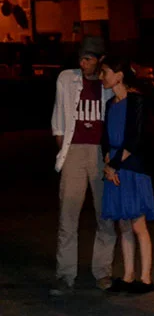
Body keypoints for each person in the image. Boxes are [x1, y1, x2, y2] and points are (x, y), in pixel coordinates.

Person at [49, 36, 116, 295]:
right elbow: (58, 119)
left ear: (100, 60)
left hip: (101, 153)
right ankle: (65, 274)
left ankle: (103, 271)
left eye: (88, 59)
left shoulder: (107, 82)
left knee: (105, 216)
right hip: (74, 150)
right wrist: (65, 148)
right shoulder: (67, 79)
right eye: (81, 58)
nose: (83, 63)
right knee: (68, 214)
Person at [99, 56, 154, 293]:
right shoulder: (110, 103)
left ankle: (145, 278)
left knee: (138, 224)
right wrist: (107, 161)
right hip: (115, 164)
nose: (102, 76)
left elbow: (134, 139)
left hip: (132, 166)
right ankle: (128, 276)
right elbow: (105, 137)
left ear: (119, 75)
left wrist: (113, 165)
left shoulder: (136, 101)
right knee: (123, 224)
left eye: (105, 72)